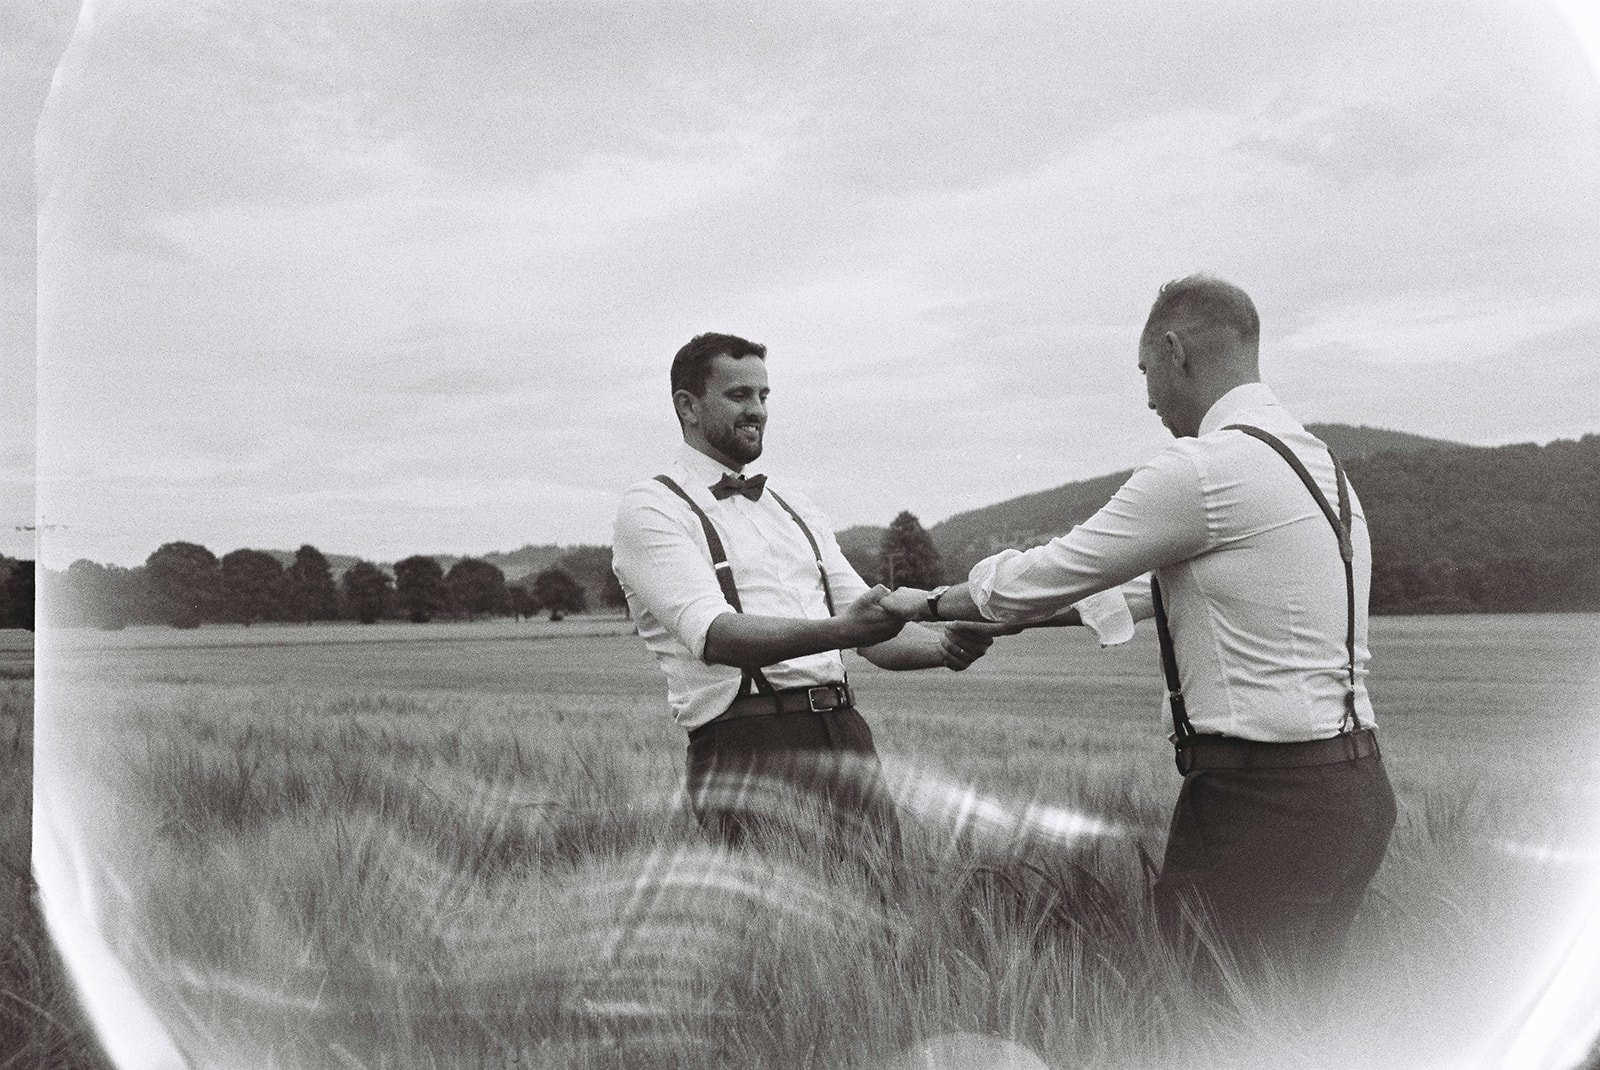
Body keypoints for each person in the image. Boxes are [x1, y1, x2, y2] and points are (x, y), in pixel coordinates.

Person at [880, 275, 1398, 975]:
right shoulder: (1322, 467)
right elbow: (1138, 593)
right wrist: (1021, 620)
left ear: (1174, 350)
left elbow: (1051, 570)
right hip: (1352, 793)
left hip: (1261, 804)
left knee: (1226, 1030)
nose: (1149, 397)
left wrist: (927, 602)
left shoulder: (1206, 470)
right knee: (1298, 1024)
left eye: (1145, 372)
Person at [611, 332, 1014, 852]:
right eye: (739, 396)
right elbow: (714, 634)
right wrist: (844, 630)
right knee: (779, 926)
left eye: (763, 396)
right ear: (687, 406)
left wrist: (944, 647)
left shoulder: (793, 504)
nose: (757, 410)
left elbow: (872, 628)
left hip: (844, 732)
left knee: (883, 907)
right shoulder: (651, 507)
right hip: (748, 744)